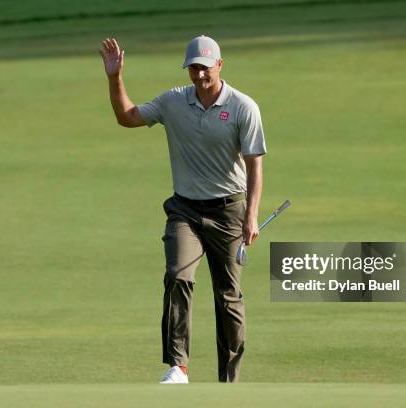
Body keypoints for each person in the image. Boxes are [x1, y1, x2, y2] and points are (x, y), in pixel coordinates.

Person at [99, 35, 267, 384]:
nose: (200, 75)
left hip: (229, 211)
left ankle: (229, 380)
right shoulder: (174, 101)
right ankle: (178, 366)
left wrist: (251, 215)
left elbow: (254, 166)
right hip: (185, 210)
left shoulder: (243, 107)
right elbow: (127, 117)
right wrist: (115, 78)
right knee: (178, 275)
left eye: (206, 68)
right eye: (194, 68)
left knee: (229, 297)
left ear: (220, 65)